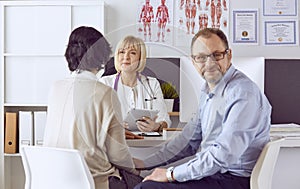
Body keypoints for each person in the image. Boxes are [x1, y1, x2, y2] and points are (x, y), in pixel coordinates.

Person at [133, 28, 272, 189]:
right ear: (193, 62)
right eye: (201, 57)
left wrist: (170, 174)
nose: (210, 63)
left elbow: (223, 155)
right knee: (143, 181)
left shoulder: (243, 94)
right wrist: (144, 164)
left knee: (147, 188)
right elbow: (187, 141)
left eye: (216, 55)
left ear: (229, 55)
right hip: (214, 175)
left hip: (233, 180)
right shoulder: (208, 90)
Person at [43, 26, 142, 189]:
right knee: (145, 183)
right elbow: (118, 155)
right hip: (93, 181)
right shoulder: (105, 93)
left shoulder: (56, 88)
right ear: (102, 56)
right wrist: (135, 167)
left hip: (55, 178)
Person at [99, 35, 171, 132]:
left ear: (141, 58)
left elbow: (165, 121)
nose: (126, 57)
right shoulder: (105, 83)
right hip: (116, 143)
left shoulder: (152, 84)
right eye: (122, 52)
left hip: (146, 143)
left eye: (132, 53)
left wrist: (156, 126)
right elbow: (96, 120)